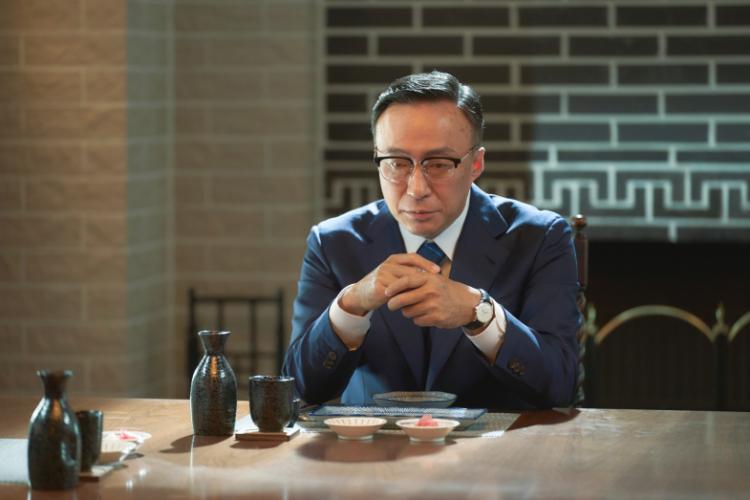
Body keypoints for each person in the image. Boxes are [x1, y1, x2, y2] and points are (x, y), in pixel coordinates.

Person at [283, 71, 581, 409]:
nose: (416, 189)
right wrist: (351, 305)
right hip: (375, 442)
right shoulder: (333, 242)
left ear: (476, 163)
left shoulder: (540, 237)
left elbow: (561, 386)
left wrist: (479, 313)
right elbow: (300, 390)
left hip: (499, 442)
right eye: (397, 163)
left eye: (438, 164)